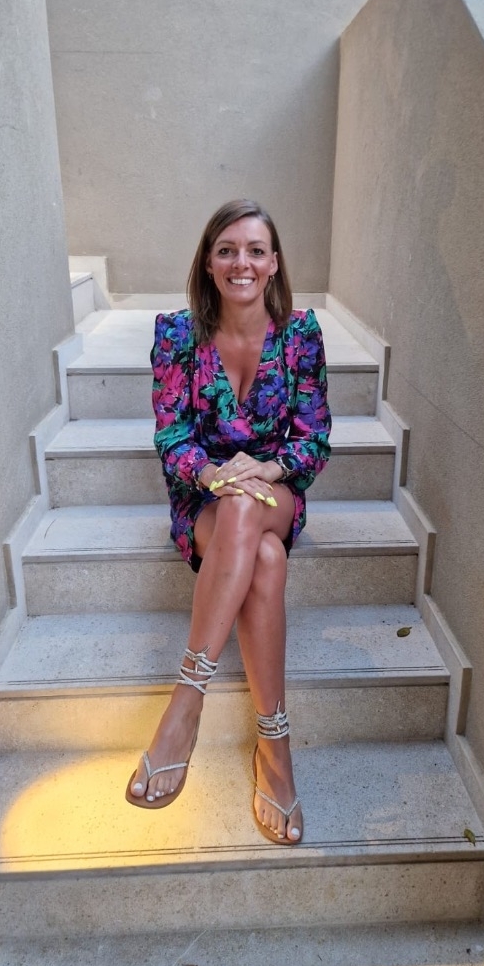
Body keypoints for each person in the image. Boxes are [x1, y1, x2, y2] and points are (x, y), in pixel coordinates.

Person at [126, 198, 331, 845]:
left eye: (255, 251)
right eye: (227, 250)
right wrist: (215, 475)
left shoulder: (301, 336)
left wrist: (266, 469)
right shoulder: (176, 335)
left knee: (252, 506)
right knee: (264, 558)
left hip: (276, 492)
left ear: (274, 264)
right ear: (209, 263)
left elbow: (314, 440)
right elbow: (172, 438)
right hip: (205, 500)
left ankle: (186, 701)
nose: (242, 262)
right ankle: (276, 747)